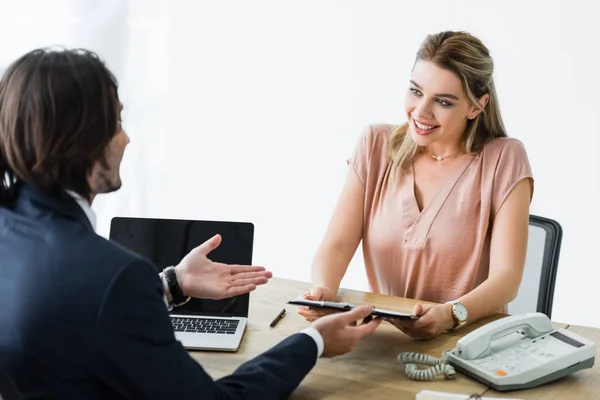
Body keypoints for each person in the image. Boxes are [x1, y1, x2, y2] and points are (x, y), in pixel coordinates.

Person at [0, 48, 380, 399]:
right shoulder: (114, 277)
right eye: (116, 122)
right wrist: (312, 341)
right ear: (81, 141)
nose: (127, 139)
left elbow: (75, 312)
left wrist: (170, 285)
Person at [299, 31, 533, 340]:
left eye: (443, 102)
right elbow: (336, 245)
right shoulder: (375, 145)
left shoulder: (504, 158)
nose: (421, 112)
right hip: (385, 340)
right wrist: (323, 293)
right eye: (415, 91)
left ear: (476, 107)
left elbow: (507, 279)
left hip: (471, 342)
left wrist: (451, 315)